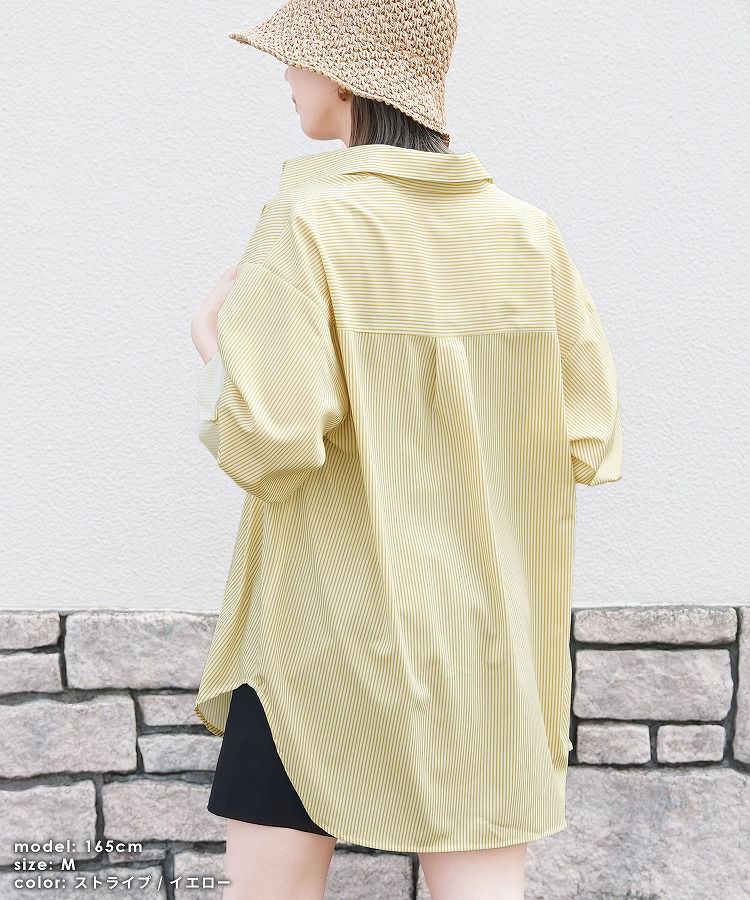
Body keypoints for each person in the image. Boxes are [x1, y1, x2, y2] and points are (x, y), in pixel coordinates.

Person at [190, 1, 623, 898]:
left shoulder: (308, 220)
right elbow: (590, 437)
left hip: (322, 634)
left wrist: (216, 349)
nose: (287, 77)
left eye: (296, 59)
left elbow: (270, 441)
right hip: (484, 638)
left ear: (346, 77)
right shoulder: (525, 232)